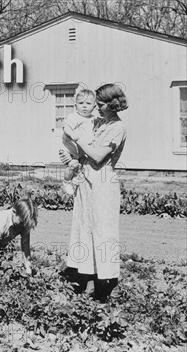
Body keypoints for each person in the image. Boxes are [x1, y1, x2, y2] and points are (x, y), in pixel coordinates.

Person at [59, 83, 128, 302]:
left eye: (99, 104)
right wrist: (70, 158)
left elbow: (98, 156)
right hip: (87, 182)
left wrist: (76, 137)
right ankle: (86, 277)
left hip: (103, 184)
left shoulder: (117, 127)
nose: (96, 108)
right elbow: (83, 151)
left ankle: (106, 283)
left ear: (112, 104)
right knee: (84, 228)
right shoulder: (99, 122)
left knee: (102, 232)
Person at [60, 88, 97, 195]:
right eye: (81, 103)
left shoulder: (94, 119)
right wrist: (71, 134)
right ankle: (66, 182)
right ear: (75, 105)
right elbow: (66, 128)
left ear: (94, 106)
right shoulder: (74, 117)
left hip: (82, 151)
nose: (84, 106)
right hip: (69, 149)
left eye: (88, 103)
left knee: (81, 169)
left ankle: (74, 181)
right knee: (73, 165)